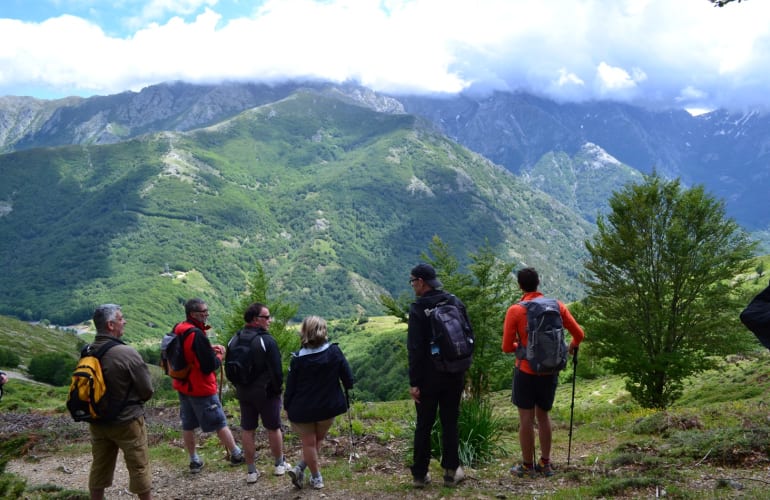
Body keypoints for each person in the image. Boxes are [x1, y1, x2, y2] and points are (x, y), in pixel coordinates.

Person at [501, 267, 585, 478]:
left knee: (526, 420)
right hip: (549, 371)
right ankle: (546, 464)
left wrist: (521, 347)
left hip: (526, 371)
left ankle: (527, 466)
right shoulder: (557, 305)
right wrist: (572, 346)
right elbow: (579, 334)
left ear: (520, 285)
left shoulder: (516, 310)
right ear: (538, 283)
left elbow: (506, 347)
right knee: (544, 417)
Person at [407, 263, 470, 488]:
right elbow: (468, 335)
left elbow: (414, 349)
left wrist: (414, 382)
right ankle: (451, 471)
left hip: (427, 378)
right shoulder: (454, 301)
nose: (412, 285)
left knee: (424, 424)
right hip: (454, 373)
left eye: (412, 281)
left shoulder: (417, 309)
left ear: (421, 282)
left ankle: (419, 475)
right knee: (450, 421)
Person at [87, 304, 154, 500]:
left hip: (97, 421)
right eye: (121, 318)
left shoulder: (88, 351)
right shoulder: (126, 353)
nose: (124, 321)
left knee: (99, 465)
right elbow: (147, 389)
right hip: (127, 420)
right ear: (110, 325)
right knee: (139, 466)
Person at [173, 298, 243, 473]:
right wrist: (220, 356)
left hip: (183, 385)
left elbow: (188, 353)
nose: (207, 314)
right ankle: (236, 454)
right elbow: (207, 366)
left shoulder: (179, 329)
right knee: (219, 421)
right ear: (193, 314)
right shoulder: (196, 334)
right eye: (203, 312)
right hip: (200, 387)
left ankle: (194, 460)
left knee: (188, 424)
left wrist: (209, 348)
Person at [284, 316, 354, 490]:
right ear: (324, 331)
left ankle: (316, 477)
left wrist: (286, 406)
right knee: (318, 440)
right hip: (327, 408)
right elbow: (349, 380)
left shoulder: (298, 359)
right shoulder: (334, 352)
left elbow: (290, 387)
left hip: (302, 410)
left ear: (304, 332)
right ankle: (301, 468)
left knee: (308, 443)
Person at [229, 302, 290, 484]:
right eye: (267, 317)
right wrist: (278, 389)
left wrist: (239, 386)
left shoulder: (235, 339)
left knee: (248, 429)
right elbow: (277, 371)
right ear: (256, 320)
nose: (270, 321)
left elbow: (230, 368)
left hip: (244, 392)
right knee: (273, 427)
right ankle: (279, 465)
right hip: (266, 393)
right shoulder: (266, 340)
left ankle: (251, 472)